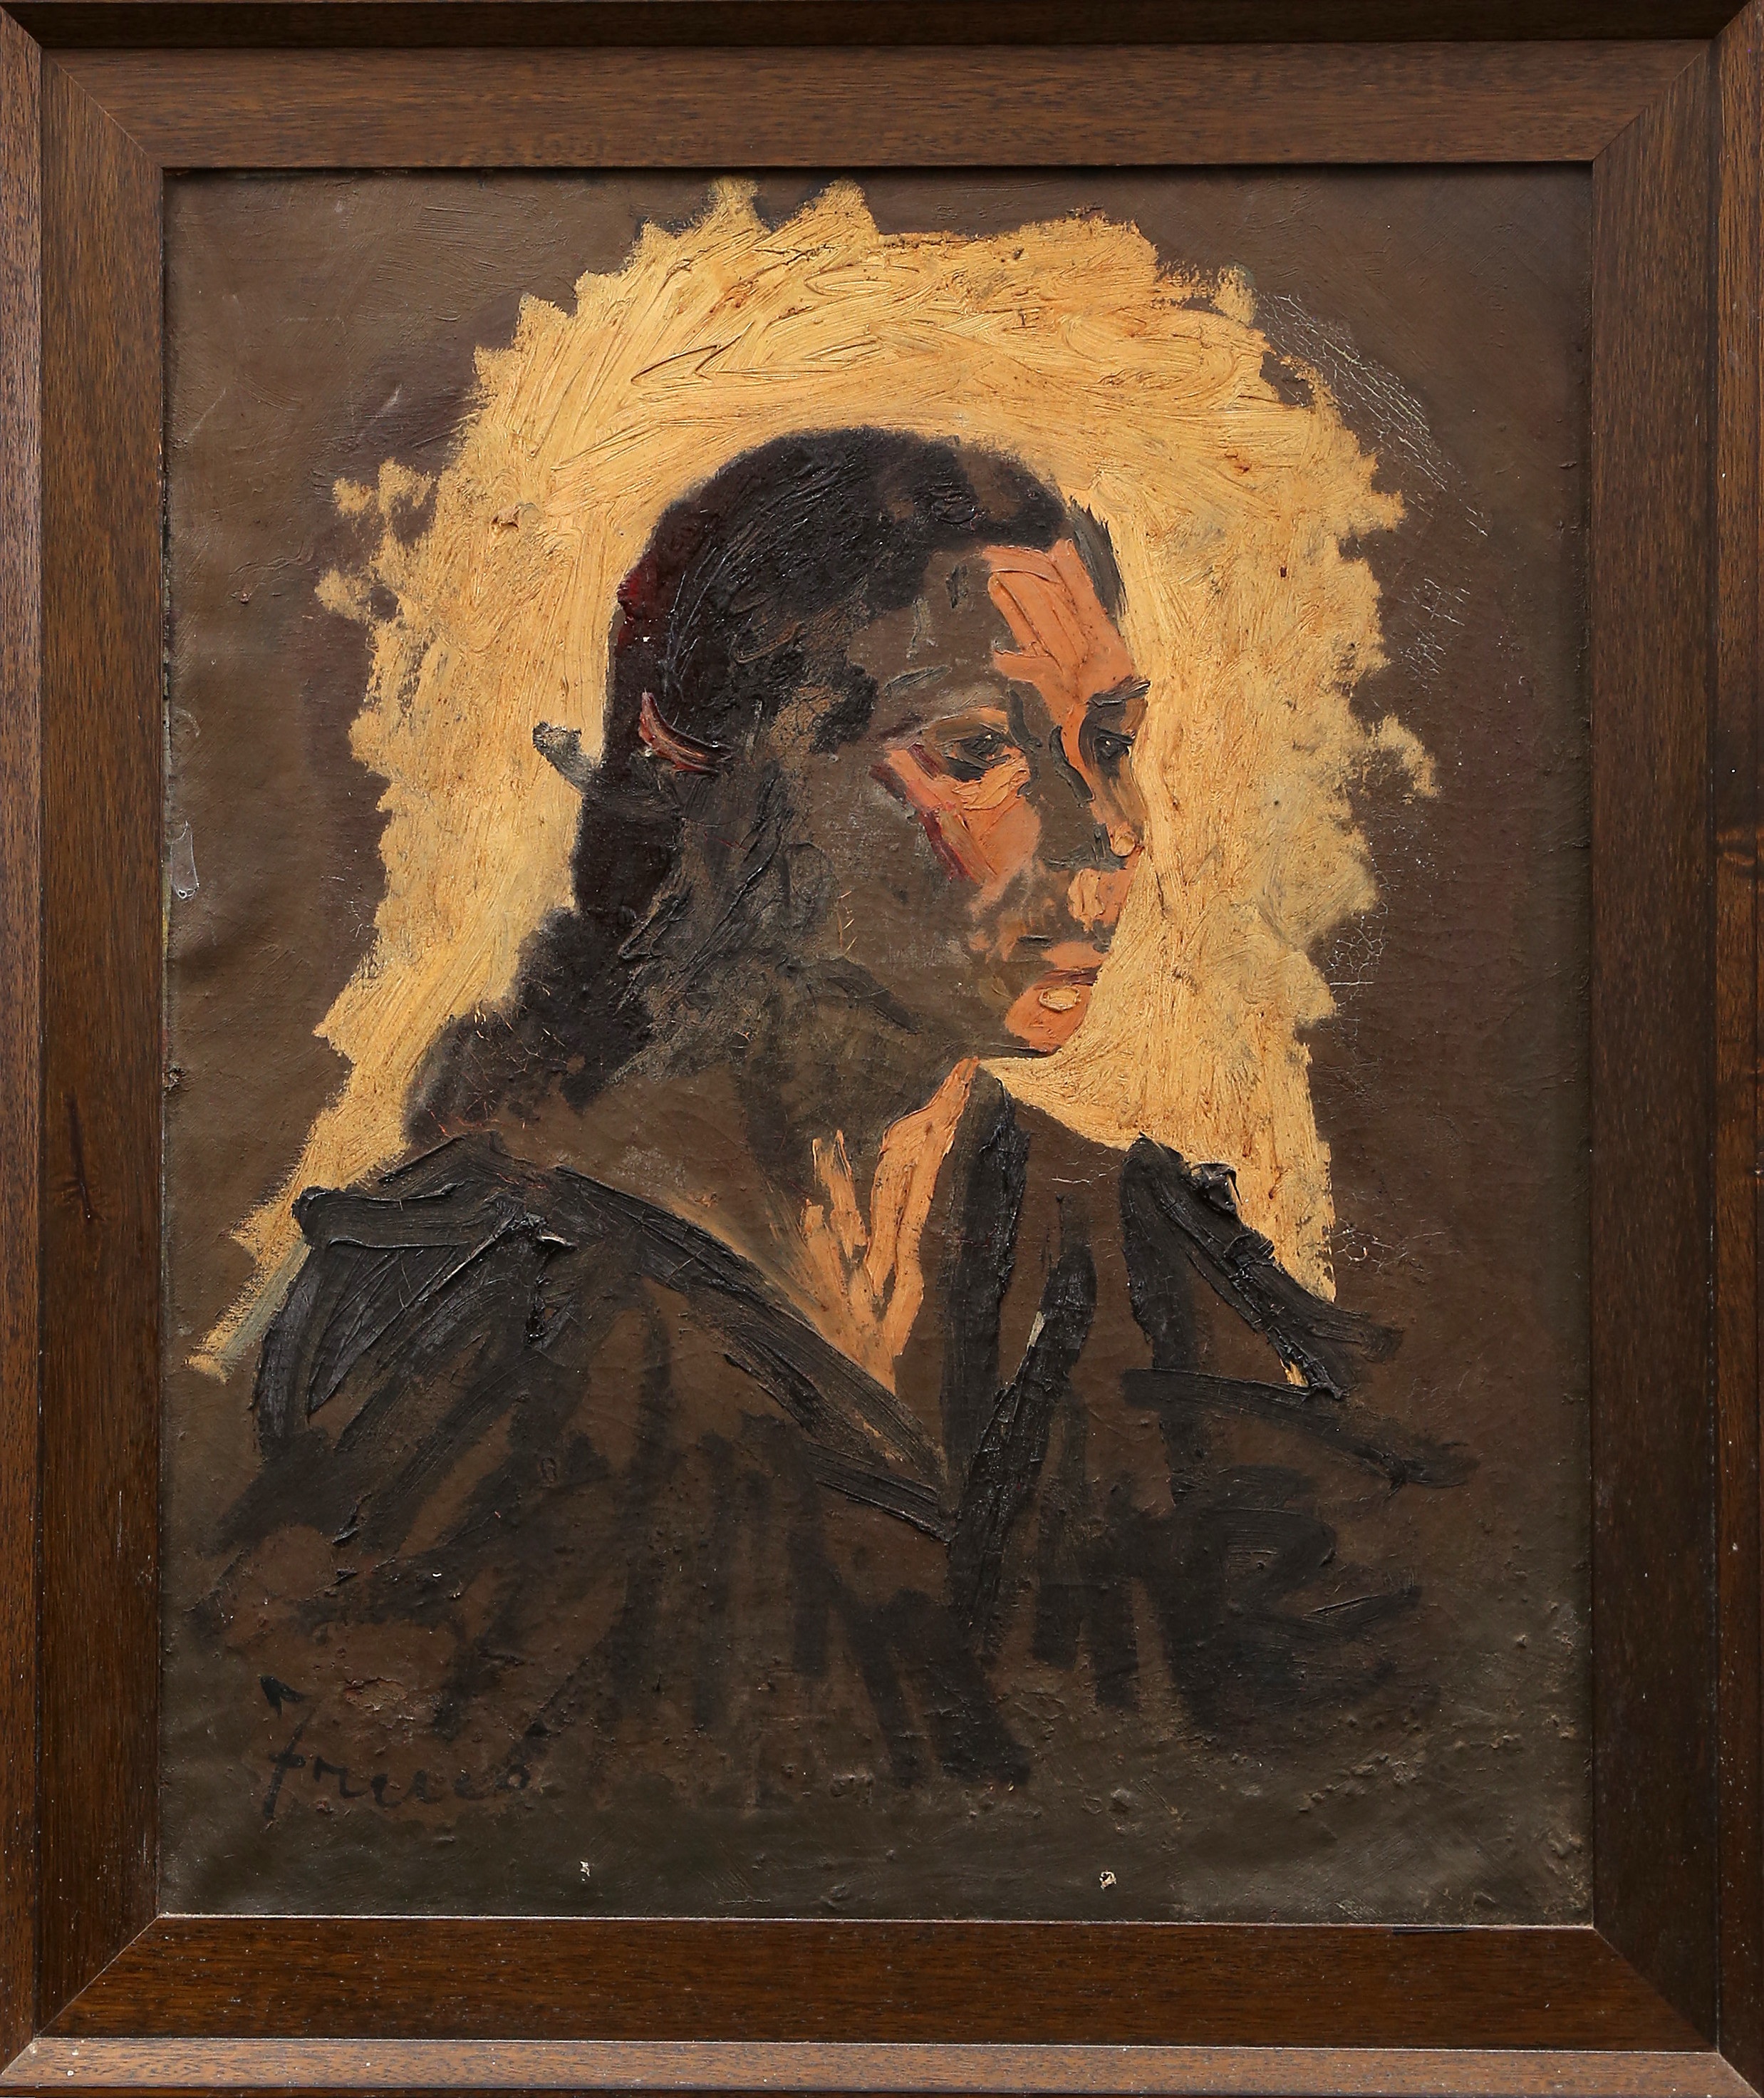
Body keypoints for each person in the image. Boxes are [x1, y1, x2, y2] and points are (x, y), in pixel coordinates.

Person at [215, 430, 1466, 1811]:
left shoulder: (1143, 1265)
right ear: (706, 762)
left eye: (1108, 742)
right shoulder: (461, 1306)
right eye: (976, 751)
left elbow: (1372, 1779)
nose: (1106, 833)